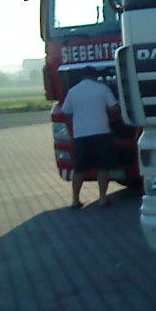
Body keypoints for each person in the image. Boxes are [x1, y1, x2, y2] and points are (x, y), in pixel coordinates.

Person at [60, 67, 119, 209]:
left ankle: (75, 199)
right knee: (103, 166)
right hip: (101, 132)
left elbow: (65, 111)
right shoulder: (102, 89)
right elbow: (113, 108)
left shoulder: (73, 91)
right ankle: (103, 198)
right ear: (94, 76)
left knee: (79, 168)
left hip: (81, 134)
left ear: (82, 76)